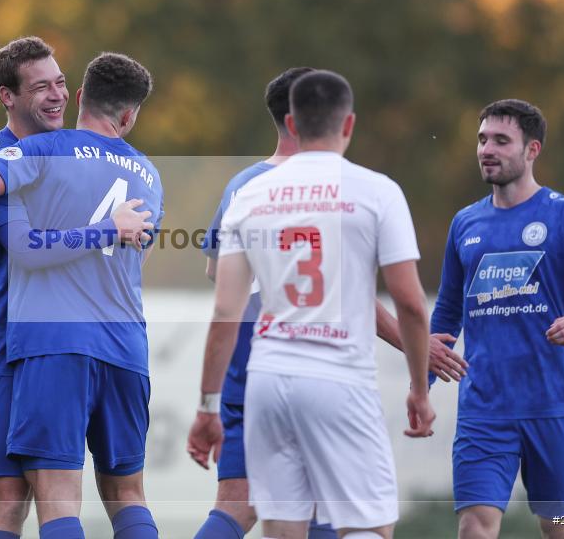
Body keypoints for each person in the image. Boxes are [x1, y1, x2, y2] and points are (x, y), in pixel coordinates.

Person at [189, 67, 467, 539]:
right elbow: (410, 301)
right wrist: (419, 387)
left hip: (264, 375)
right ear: (349, 124)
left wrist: (206, 406)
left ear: (290, 122)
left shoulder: (247, 191)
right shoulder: (374, 190)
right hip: (337, 375)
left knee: (273, 518)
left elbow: (224, 307)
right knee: (367, 523)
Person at [0, 52, 163, 539]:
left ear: (79, 92)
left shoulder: (52, 152)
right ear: (8, 96)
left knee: (31, 502)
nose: (57, 94)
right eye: (42, 86)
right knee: (7, 502)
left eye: (61, 82)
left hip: (49, 347)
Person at [429, 99, 564, 539]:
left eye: (501, 140)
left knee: (559, 527)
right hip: (484, 410)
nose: (486, 149)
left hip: (552, 405)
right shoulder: (465, 224)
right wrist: (419, 388)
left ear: (532, 149)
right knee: (475, 526)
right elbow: (446, 312)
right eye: (482, 140)